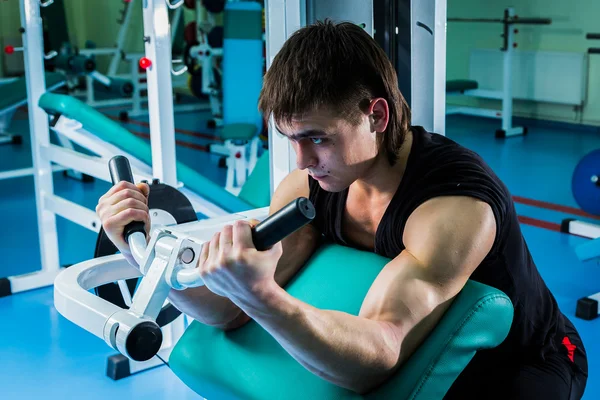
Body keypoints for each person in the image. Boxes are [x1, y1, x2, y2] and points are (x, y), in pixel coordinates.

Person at [95, 20, 587, 399]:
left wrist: (263, 297)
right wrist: (149, 260)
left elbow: (378, 352)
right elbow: (226, 311)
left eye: (317, 138)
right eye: (291, 140)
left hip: (523, 363)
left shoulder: (453, 206)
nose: (303, 161)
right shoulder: (314, 186)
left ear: (376, 115)